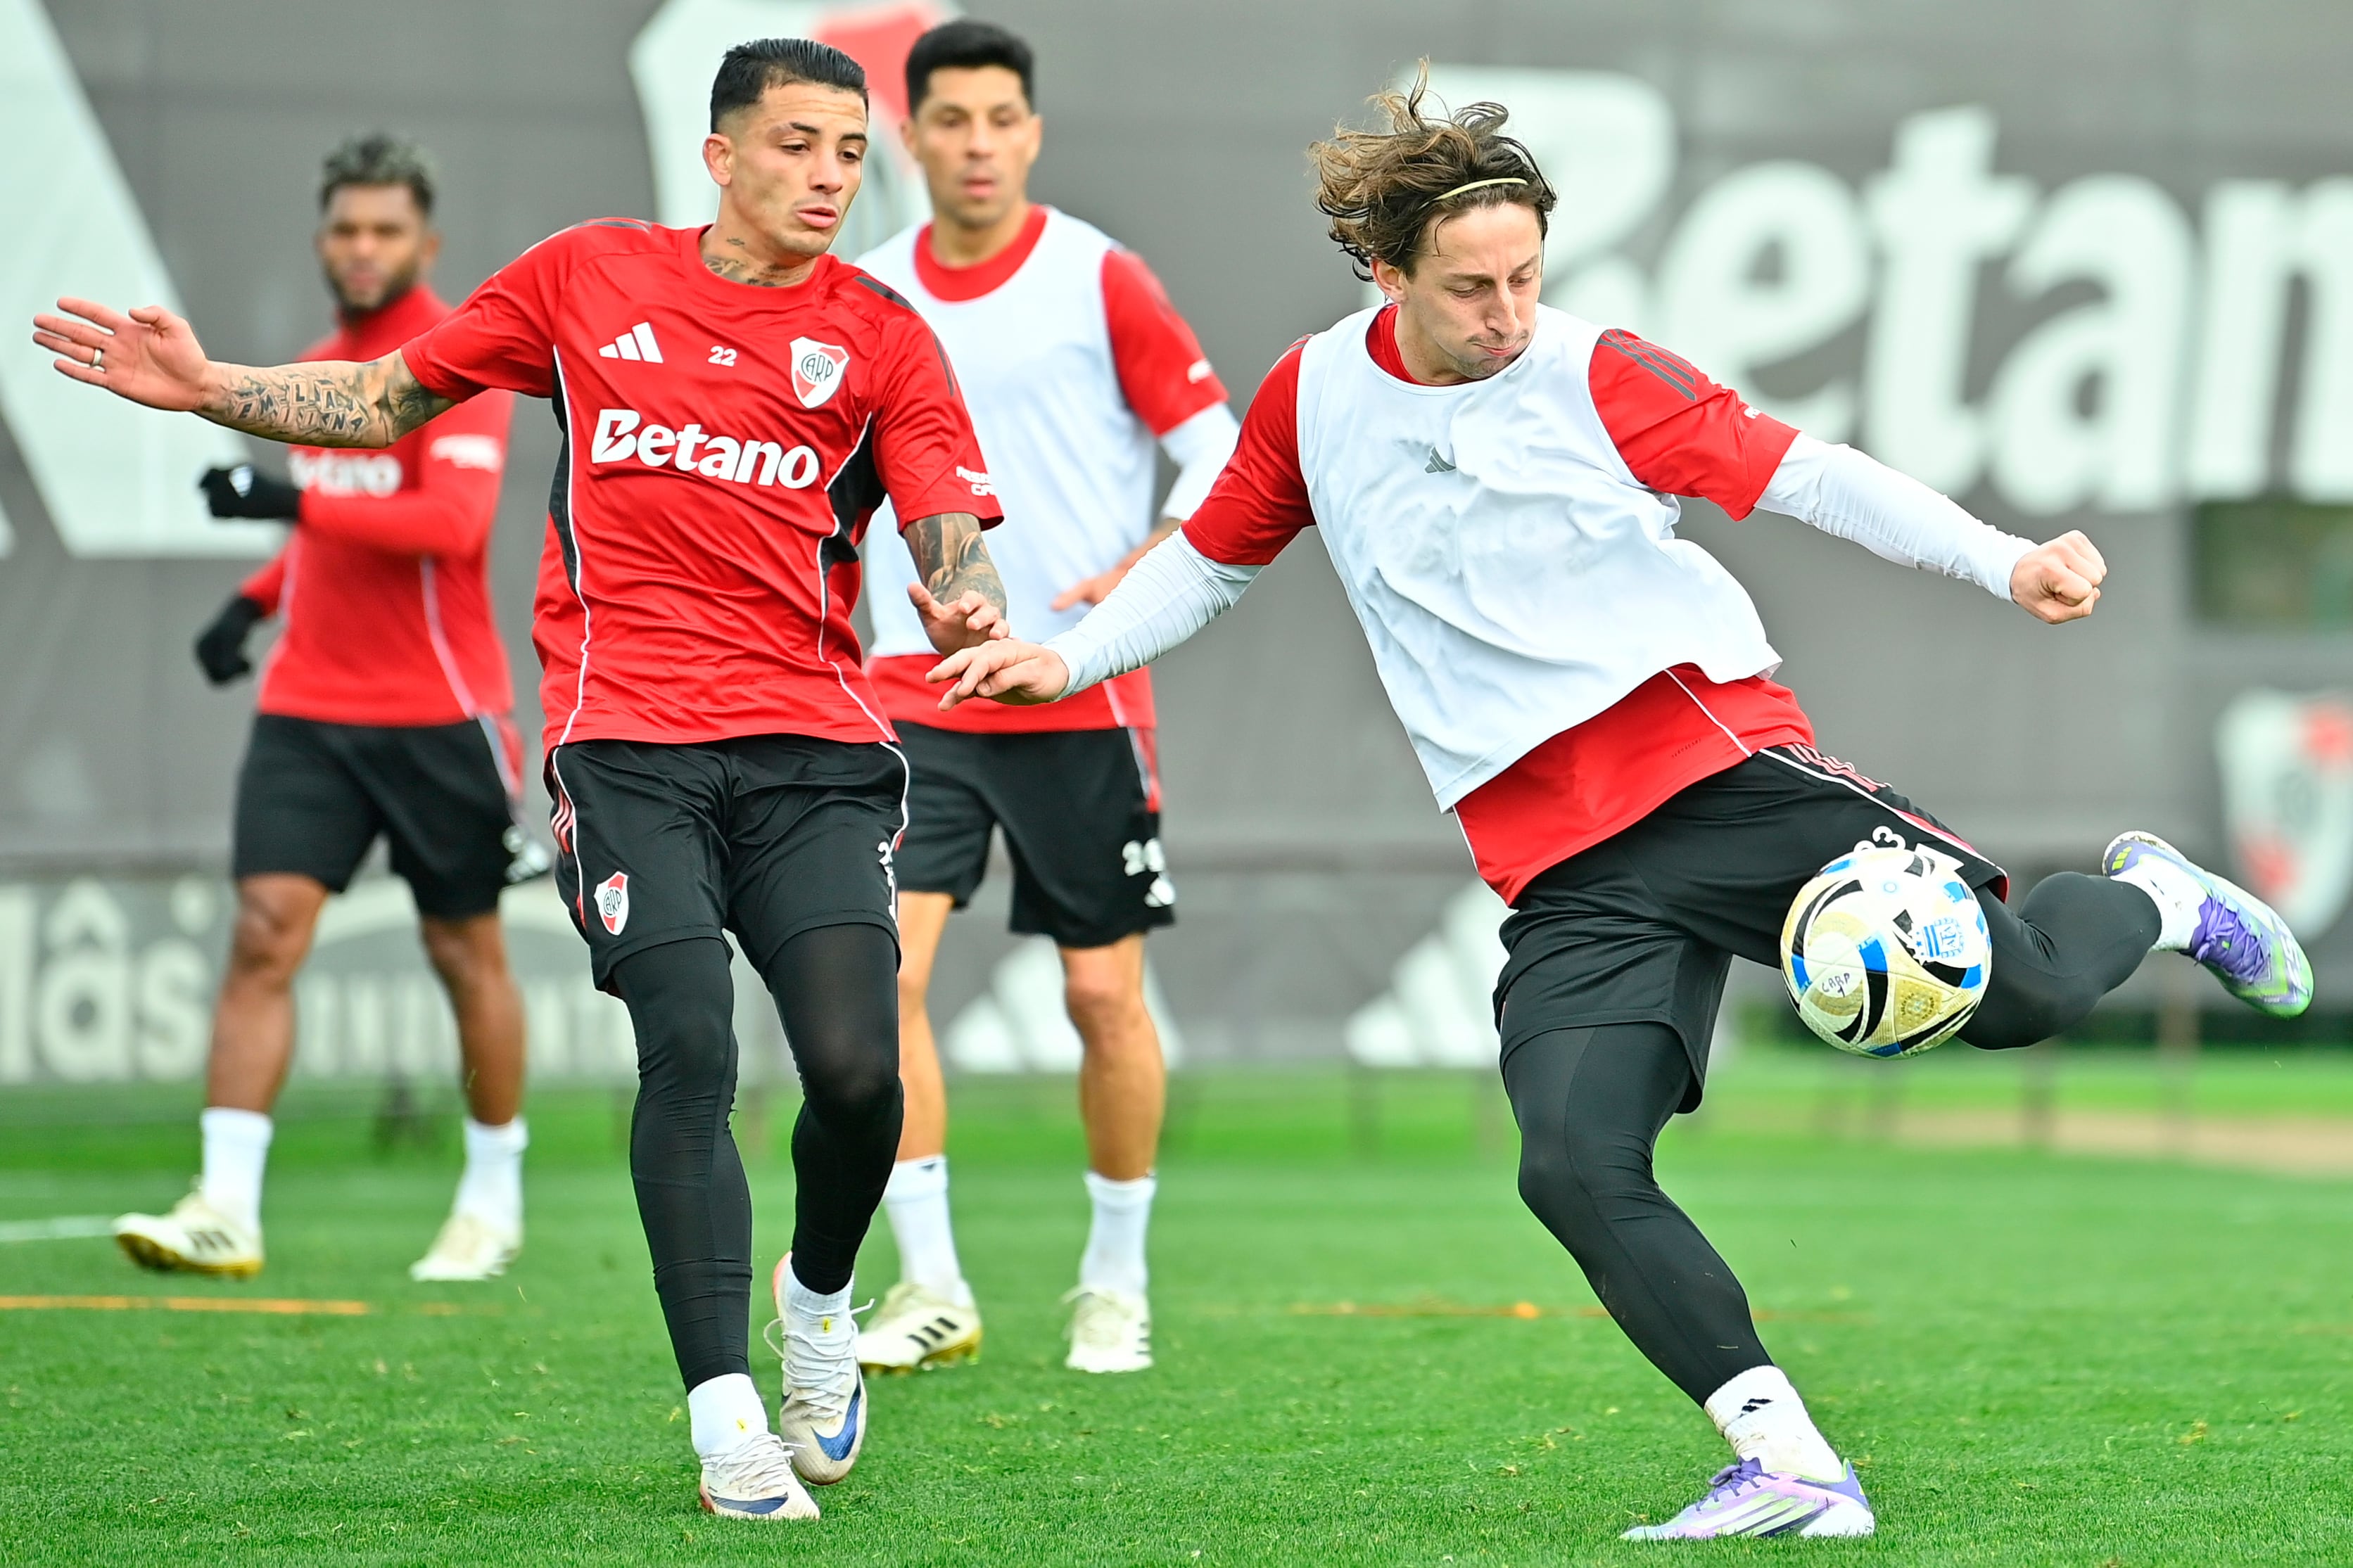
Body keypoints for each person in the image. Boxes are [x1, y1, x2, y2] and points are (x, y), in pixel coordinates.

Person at [927, 77, 2313, 1541]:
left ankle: (2159, 898)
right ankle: (1788, 1461)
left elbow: (1806, 478)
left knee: (2021, 994)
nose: (1507, 310)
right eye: (1470, 286)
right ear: (1385, 272)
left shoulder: (1596, 372)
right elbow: (1210, 561)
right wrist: (1062, 654)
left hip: (1713, 769)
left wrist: (2004, 558)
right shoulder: (1311, 394)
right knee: (1573, 1160)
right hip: (1559, 863)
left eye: (1526, 275)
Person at [37, 38, 1013, 1526]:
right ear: (720, 154)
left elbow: (949, 519)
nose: (829, 176)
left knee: (860, 1073)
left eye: (845, 150)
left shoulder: (879, 333)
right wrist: (208, 388)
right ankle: (726, 1415)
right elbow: (384, 399)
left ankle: (817, 1308)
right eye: (798, 144)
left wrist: (969, 597)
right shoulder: (584, 278)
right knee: (689, 1047)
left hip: (813, 751)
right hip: (627, 746)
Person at [852, 19, 1238, 1377]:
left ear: (1032, 130)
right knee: (877, 975)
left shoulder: (1099, 277)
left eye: (1000, 118)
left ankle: (1114, 1282)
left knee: (1099, 999)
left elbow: (1222, 458)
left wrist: (1141, 571)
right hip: (912, 688)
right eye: (948, 119)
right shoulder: (870, 292)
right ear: (910, 137)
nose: (975, 144)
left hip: (1080, 690)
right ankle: (932, 1279)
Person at [112, 134, 533, 1287]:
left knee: (464, 948)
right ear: (321, 240)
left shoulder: (459, 363)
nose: (362, 249)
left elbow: (444, 531)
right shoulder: (309, 369)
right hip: (309, 704)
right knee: (262, 933)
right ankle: (226, 1206)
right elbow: (324, 525)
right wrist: (250, 605)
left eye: (385, 230)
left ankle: (492, 1199)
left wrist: (283, 492)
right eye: (345, 228)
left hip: (439, 709)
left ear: (426, 243)